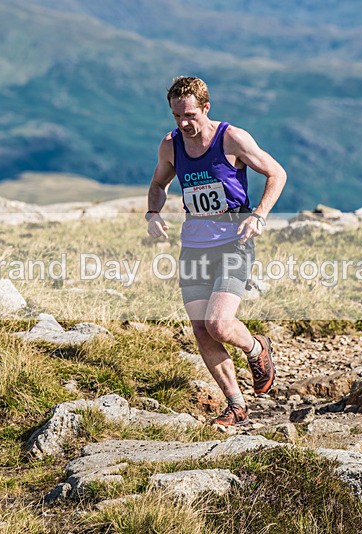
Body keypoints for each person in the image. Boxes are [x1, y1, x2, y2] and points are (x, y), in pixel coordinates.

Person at [145, 76, 287, 427]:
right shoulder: (171, 145)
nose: (184, 123)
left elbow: (277, 173)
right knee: (201, 330)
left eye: (190, 115)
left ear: (206, 108)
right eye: (177, 116)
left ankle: (256, 349)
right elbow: (158, 183)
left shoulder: (232, 138)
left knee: (219, 324)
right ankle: (236, 404)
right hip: (193, 245)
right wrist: (153, 212)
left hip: (233, 241)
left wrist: (259, 216)